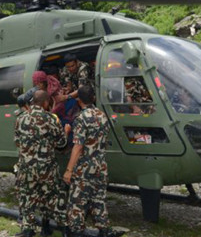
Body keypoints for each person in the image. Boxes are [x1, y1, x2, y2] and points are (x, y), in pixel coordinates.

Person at [63, 86, 123, 237]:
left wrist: (69, 170)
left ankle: (76, 231)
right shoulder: (102, 115)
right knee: (99, 198)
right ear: (93, 98)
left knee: (77, 201)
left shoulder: (81, 118)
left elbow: (78, 146)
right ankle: (104, 230)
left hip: (84, 167)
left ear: (79, 100)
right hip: (100, 165)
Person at [14, 90, 70, 237]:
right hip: (47, 168)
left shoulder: (20, 119)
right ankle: (64, 229)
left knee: (27, 197)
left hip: (27, 168)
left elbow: (17, 142)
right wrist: (66, 132)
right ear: (45, 103)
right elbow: (61, 143)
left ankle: (28, 230)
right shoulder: (51, 119)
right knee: (54, 198)